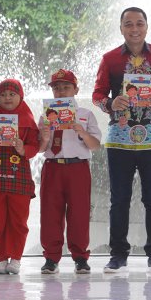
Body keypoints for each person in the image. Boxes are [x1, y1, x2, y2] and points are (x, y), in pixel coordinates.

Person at [92, 7, 151, 274]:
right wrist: (111, 102)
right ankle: (118, 254)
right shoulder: (110, 59)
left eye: (139, 24)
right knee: (119, 199)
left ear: (147, 27)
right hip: (119, 139)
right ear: (121, 28)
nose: (134, 29)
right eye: (128, 24)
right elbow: (97, 94)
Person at [39, 69, 101, 274]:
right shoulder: (46, 116)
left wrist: (81, 132)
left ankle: (80, 257)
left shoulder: (85, 115)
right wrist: (45, 137)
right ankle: (51, 258)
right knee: (50, 214)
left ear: (75, 89)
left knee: (79, 214)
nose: (61, 92)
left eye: (66, 87)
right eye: (57, 88)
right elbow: (39, 149)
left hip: (77, 167)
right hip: (53, 167)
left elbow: (95, 145)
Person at [0, 79, 39, 275]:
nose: (7, 98)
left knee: (19, 221)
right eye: (3, 95)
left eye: (12, 94)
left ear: (20, 96)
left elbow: (34, 147)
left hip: (19, 177)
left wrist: (23, 149)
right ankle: (2, 259)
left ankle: (16, 259)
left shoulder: (27, 119)